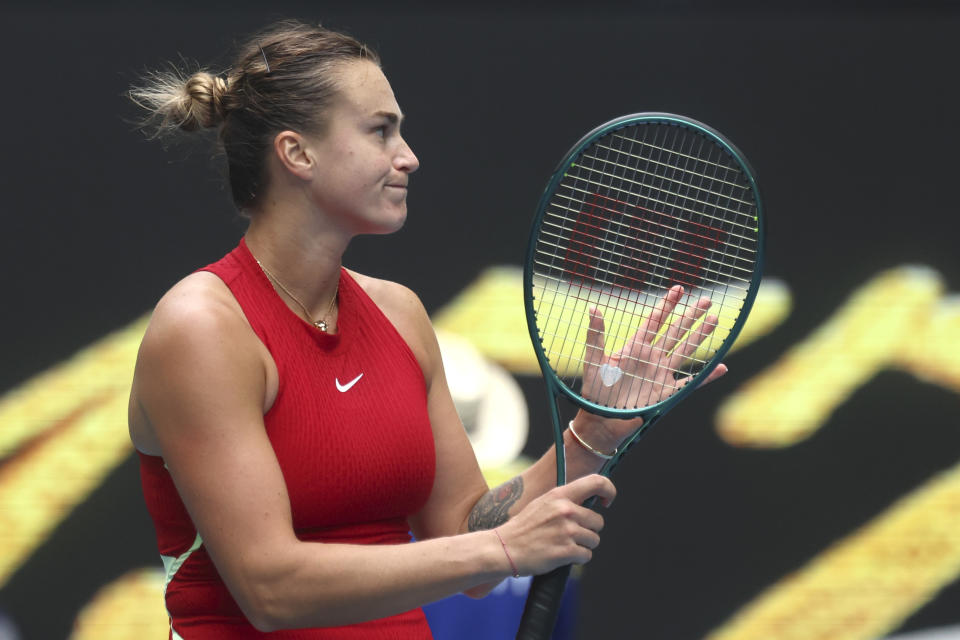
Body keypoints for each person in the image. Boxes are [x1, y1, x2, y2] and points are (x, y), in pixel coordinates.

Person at [127, 18, 726, 639]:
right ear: (296, 153)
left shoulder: (399, 314)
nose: (408, 156)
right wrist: (503, 551)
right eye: (380, 131)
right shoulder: (203, 329)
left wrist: (592, 431)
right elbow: (271, 588)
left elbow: (468, 537)